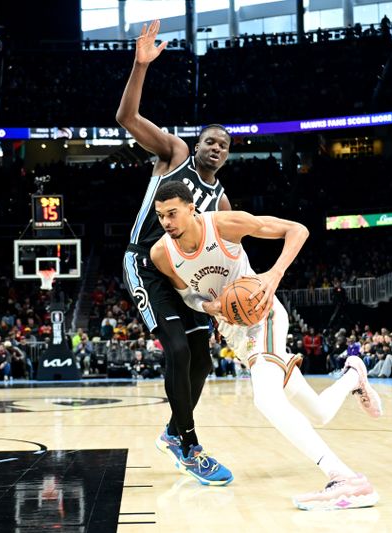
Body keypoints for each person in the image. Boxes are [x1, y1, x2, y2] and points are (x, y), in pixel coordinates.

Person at [150, 181, 381, 508]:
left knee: (266, 400)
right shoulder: (161, 252)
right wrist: (207, 307)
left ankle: (344, 478)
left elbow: (297, 230)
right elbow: (187, 294)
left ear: (192, 209)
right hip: (236, 335)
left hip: (264, 317)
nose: (167, 222)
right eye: (160, 216)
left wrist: (273, 274)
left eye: (172, 213)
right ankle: (352, 376)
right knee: (319, 412)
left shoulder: (225, 225)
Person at [117, 19, 233, 480]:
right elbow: (126, 118)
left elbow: (227, 259)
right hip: (144, 265)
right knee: (179, 353)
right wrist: (139, 66)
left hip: (185, 281)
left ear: (228, 154)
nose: (215, 147)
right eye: (210, 140)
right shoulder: (174, 154)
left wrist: (228, 303)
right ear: (198, 142)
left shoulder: (221, 201)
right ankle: (189, 444)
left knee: (203, 359)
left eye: (223, 145)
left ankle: (172, 430)